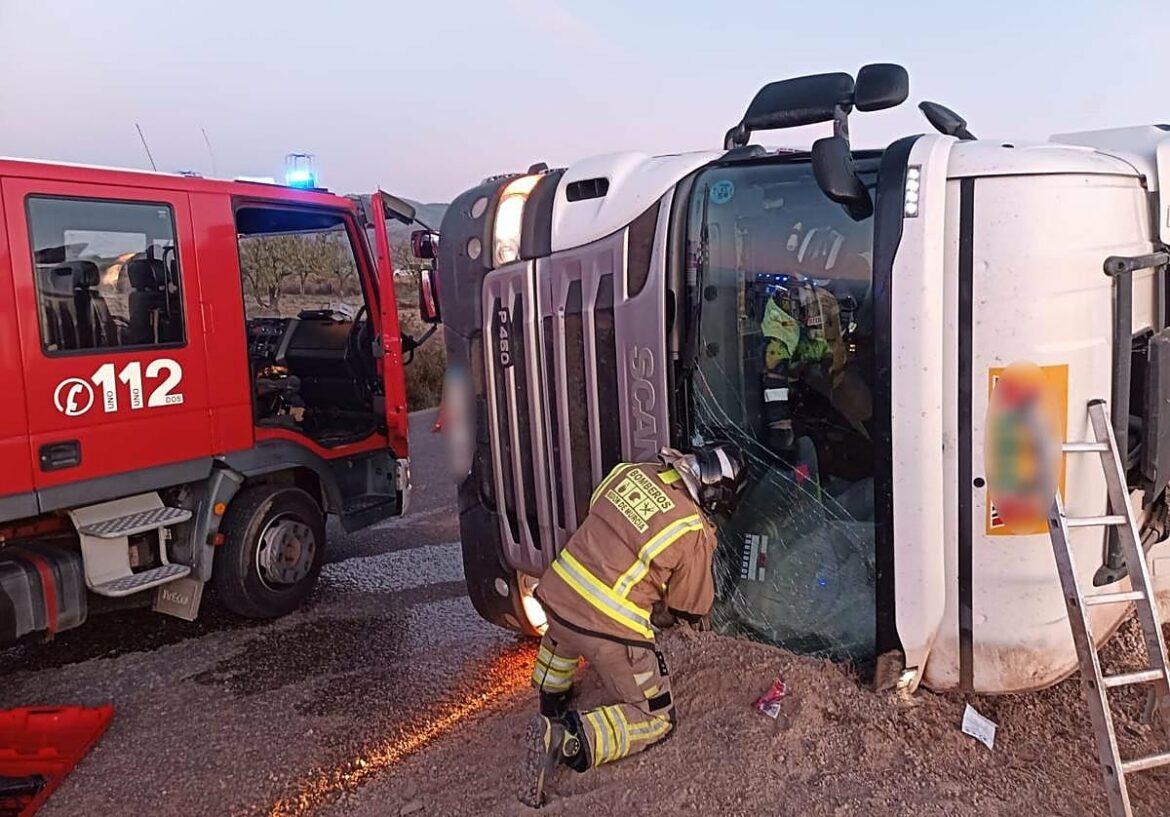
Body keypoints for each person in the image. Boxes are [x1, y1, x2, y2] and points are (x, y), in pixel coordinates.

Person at [518, 442, 748, 808]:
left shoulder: (632, 472)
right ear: (718, 495)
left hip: (557, 593)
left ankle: (550, 696)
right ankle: (568, 738)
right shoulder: (694, 529)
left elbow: (598, 510)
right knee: (656, 716)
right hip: (607, 629)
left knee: (562, 635)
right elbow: (689, 607)